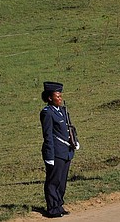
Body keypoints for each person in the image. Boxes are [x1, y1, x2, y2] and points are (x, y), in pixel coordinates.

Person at [40, 82, 78, 218]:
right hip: (55, 152)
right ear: (50, 98)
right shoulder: (47, 113)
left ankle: (59, 205)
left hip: (66, 151)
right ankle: (52, 208)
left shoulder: (62, 111)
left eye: (61, 96)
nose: (60, 98)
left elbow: (70, 128)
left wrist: (75, 141)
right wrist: (49, 156)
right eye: (57, 96)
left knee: (62, 181)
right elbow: (48, 135)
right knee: (53, 181)